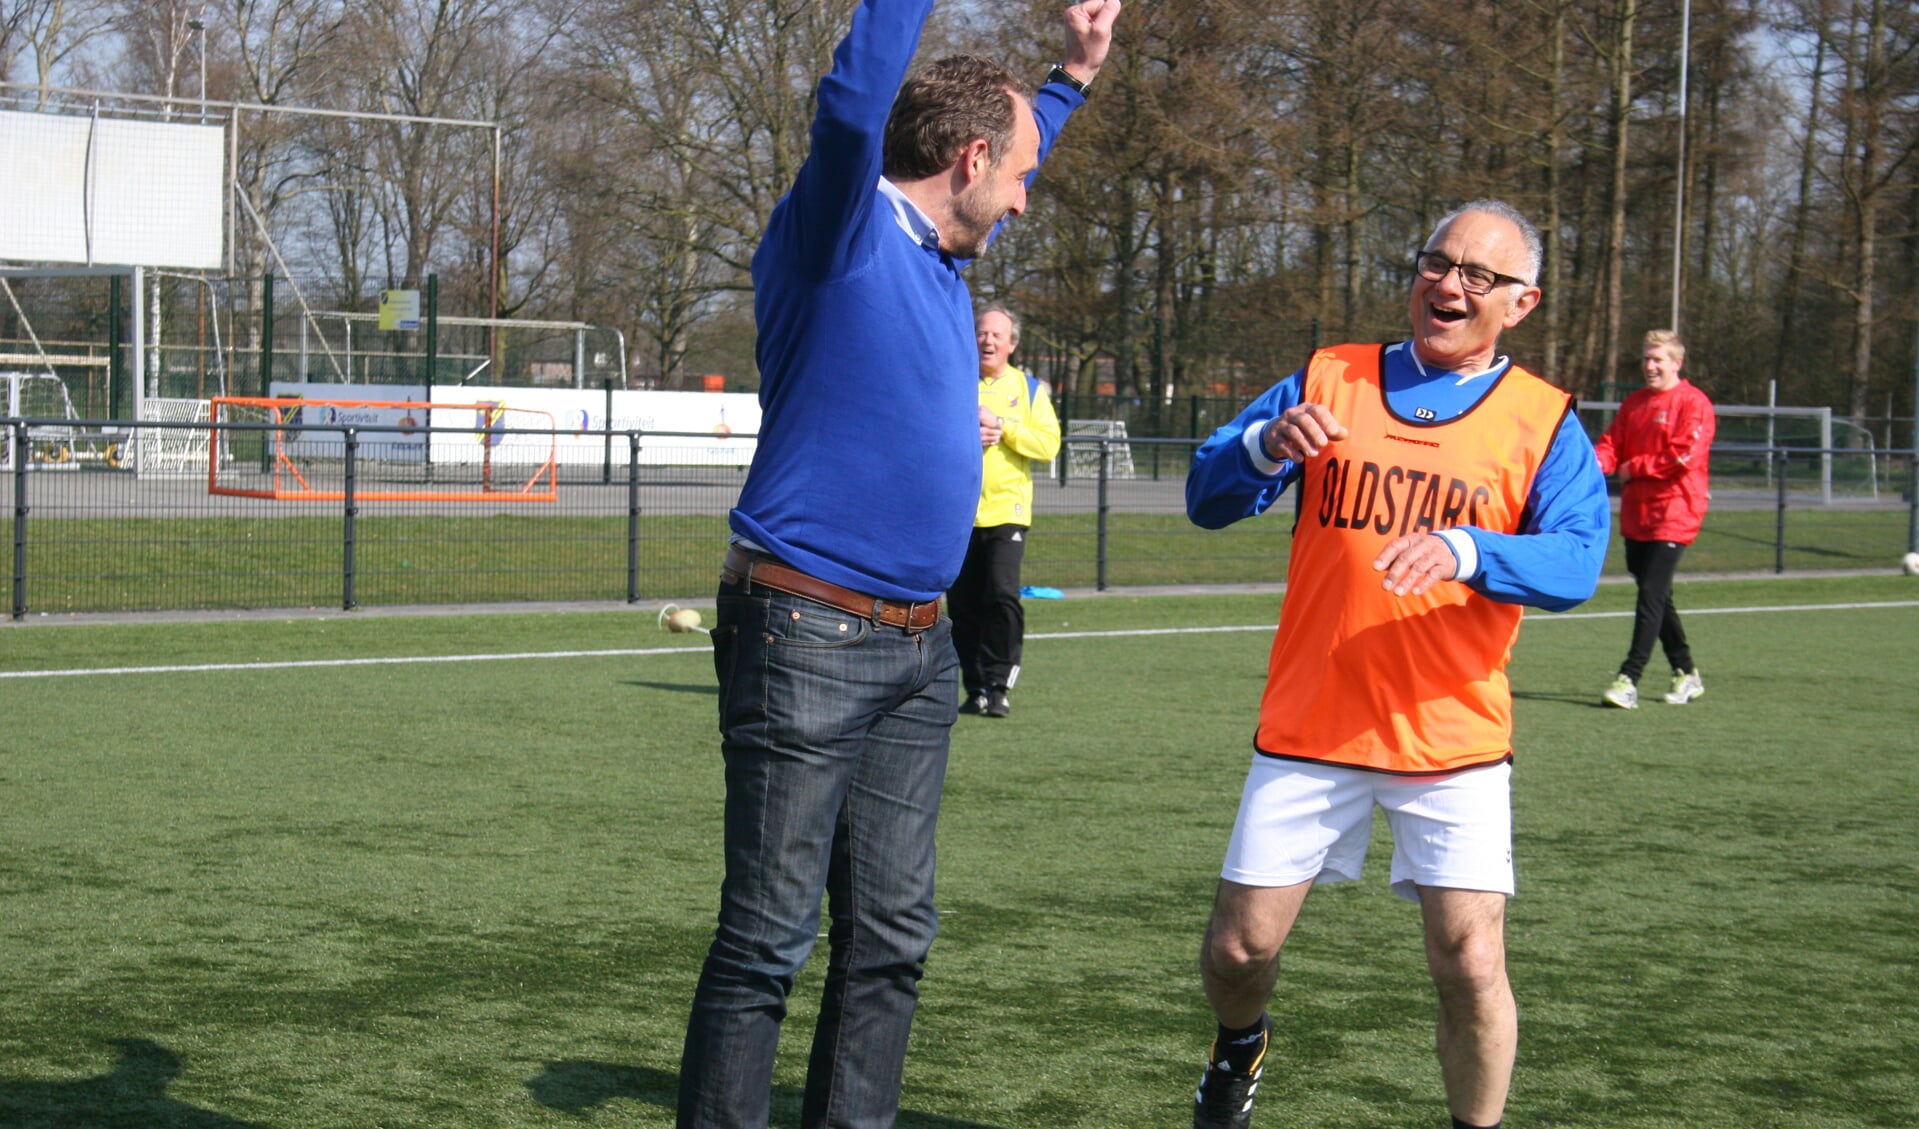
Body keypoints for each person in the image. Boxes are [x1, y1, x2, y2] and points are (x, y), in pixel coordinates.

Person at [677, 2, 1121, 1127]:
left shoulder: (935, 258)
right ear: (968, 159)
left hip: (921, 651)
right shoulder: (840, 232)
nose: (1025, 195)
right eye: (1019, 173)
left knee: (887, 944)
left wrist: (1069, 78)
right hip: (807, 632)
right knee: (768, 941)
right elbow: (846, 108)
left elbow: (1010, 143)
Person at [1183, 200, 1611, 1129]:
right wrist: (1261, 446)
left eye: (1477, 275)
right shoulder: (1328, 374)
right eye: (1435, 262)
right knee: (1235, 951)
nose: (1447, 284)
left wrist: (1467, 550)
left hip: (1451, 736)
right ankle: (1240, 1045)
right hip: (1313, 719)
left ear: (1521, 303)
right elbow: (1206, 494)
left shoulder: (1542, 419)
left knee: (1469, 961)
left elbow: (1577, 561)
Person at [949, 305, 1062, 718]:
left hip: (1007, 511)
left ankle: (999, 684)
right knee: (962, 604)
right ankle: (975, 686)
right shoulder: (954, 382)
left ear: (1012, 344)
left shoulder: (1030, 389)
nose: (988, 340)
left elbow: (1049, 445)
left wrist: (1005, 428)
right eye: (981, 333)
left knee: (1001, 594)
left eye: (997, 335)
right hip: (959, 512)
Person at [1594, 329, 1716, 709]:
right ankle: (1686, 672)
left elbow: (1683, 457)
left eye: (1658, 359)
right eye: (1646, 359)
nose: (1650, 366)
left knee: (1650, 594)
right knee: (1656, 593)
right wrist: (1593, 467)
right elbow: (1611, 444)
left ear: (1676, 363)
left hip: (1675, 510)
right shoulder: (1634, 404)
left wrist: (1633, 468)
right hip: (1638, 513)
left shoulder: (1694, 404)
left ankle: (1628, 678)